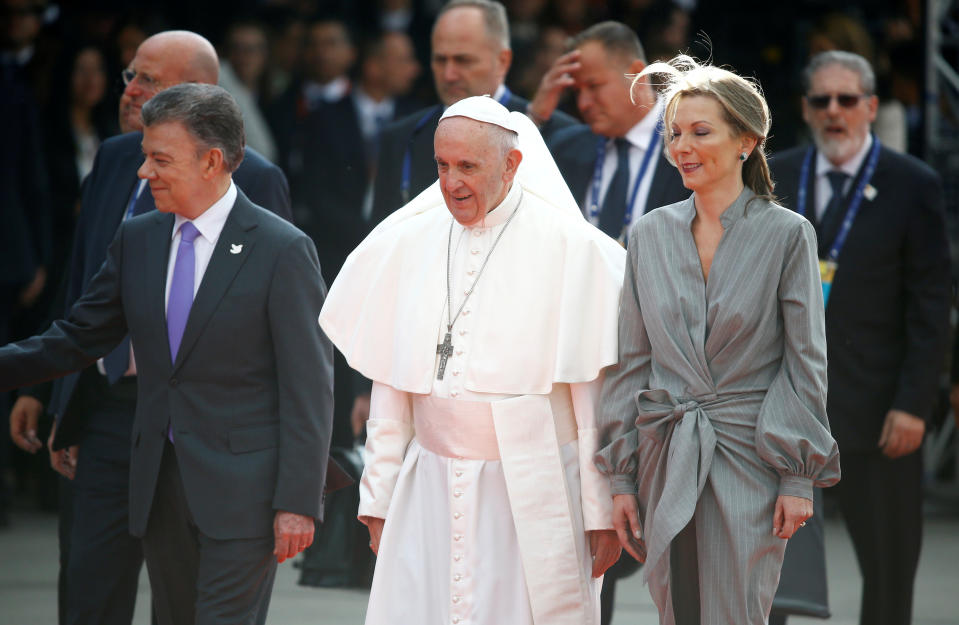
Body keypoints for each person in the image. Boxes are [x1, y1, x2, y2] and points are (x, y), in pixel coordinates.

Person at [0, 83, 334, 625]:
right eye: (143, 157)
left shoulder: (282, 248)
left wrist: (297, 500)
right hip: (157, 485)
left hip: (244, 493)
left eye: (159, 159)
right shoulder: (139, 238)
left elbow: (309, 384)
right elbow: (77, 337)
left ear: (212, 161)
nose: (143, 173)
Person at [320, 95, 624, 625]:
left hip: (531, 490)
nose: (451, 183)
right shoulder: (410, 240)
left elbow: (592, 399)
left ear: (512, 164)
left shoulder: (574, 250)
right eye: (441, 166)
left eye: (468, 166)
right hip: (429, 487)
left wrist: (600, 510)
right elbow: (393, 385)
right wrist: (378, 497)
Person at [595, 55, 841, 625]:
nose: (682, 146)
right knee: (675, 609)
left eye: (700, 132)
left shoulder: (788, 234)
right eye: (675, 133)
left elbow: (805, 362)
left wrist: (797, 476)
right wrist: (622, 477)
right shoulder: (650, 234)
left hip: (751, 453)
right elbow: (631, 363)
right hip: (666, 452)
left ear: (746, 142)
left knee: (737, 610)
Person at [769, 50, 951, 625]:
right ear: (804, 108)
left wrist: (914, 404)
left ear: (871, 107)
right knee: (767, 569)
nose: (834, 112)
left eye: (847, 100)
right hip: (786, 411)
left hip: (880, 414)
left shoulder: (911, 183)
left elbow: (931, 306)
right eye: (821, 100)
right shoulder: (776, 174)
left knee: (889, 570)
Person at [369, 0, 576, 224]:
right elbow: (382, 241)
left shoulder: (560, 135)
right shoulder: (400, 138)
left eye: (463, 60)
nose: (449, 74)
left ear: (502, 61)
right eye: (440, 60)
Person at [535, 21, 688, 243]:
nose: (584, 103)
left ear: (636, 74)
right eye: (577, 91)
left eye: (594, 86)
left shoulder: (692, 142)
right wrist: (535, 117)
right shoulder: (565, 148)